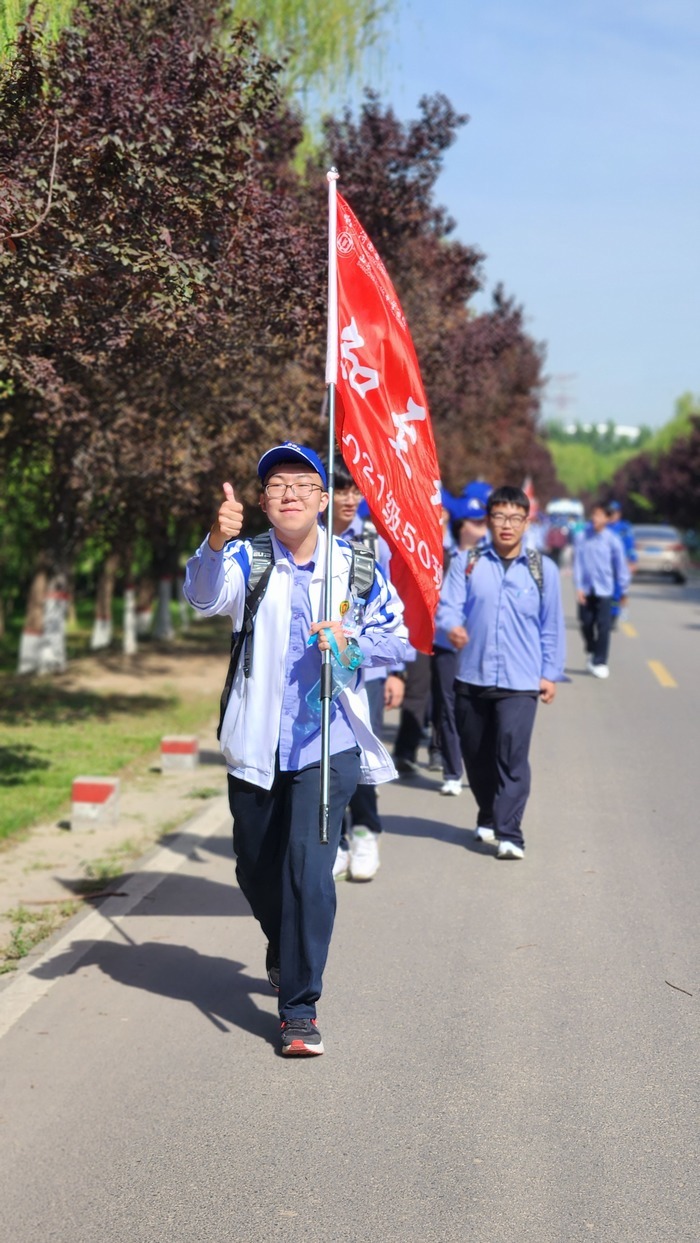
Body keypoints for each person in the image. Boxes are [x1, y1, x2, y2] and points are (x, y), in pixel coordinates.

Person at [183, 442, 407, 1056]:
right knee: (256, 869)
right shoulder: (244, 560)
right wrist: (211, 541)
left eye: (303, 485)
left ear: (322, 500)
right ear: (261, 501)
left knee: (310, 873)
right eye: (277, 486)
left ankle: (300, 1009)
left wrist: (352, 639)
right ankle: (282, 945)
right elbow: (203, 597)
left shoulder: (355, 569)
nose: (290, 495)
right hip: (256, 746)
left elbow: (398, 640)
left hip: (325, 744)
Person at [436, 485, 566, 860]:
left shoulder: (544, 570)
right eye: (499, 516)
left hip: (521, 681)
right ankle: (488, 813)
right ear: (488, 520)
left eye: (515, 518)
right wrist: (453, 626)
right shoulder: (467, 561)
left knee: (511, 754)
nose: (506, 525)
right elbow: (448, 606)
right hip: (472, 676)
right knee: (476, 757)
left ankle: (510, 833)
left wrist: (549, 674)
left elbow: (551, 626)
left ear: (527, 522)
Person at [327, 458, 405, 881]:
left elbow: (391, 618)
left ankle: (365, 830)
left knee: (359, 755)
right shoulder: (309, 543)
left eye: (355, 491)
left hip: (366, 672)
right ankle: (335, 838)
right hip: (318, 675)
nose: (349, 499)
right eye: (341, 490)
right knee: (325, 760)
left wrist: (396, 673)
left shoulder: (373, 546)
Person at [431, 480, 492, 795]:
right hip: (446, 644)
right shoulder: (441, 556)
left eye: (484, 522)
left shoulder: (492, 560)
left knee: (477, 710)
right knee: (449, 707)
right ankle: (452, 771)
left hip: (481, 646)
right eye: (475, 522)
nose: (481, 528)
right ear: (461, 525)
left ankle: (479, 765)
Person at [573, 502, 630, 679]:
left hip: (605, 589)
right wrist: (579, 587)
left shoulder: (613, 540)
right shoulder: (582, 537)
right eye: (593, 514)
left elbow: (620, 566)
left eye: (599, 515)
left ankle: (600, 661)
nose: (595, 518)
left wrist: (624, 590)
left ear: (607, 518)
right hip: (587, 589)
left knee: (604, 626)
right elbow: (578, 564)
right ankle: (591, 649)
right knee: (586, 622)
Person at [606, 500, 637, 627]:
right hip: (605, 564)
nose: (612, 515)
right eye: (610, 513)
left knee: (619, 591)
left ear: (619, 513)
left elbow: (630, 545)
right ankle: (606, 614)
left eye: (614, 513)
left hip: (620, 565)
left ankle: (614, 615)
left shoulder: (624, 528)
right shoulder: (604, 527)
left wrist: (632, 560)